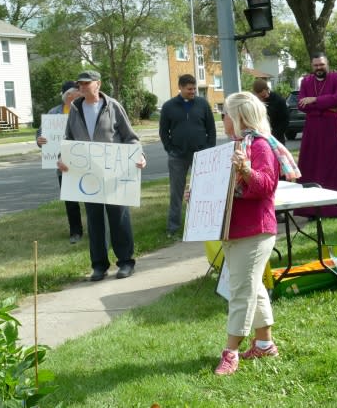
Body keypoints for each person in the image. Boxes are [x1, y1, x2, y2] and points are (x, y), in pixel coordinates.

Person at [208, 92, 300, 376]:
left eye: (225, 113)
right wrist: (199, 192)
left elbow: (266, 187)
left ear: (239, 117)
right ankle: (264, 344)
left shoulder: (259, 146)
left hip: (255, 230)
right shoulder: (235, 146)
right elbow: (223, 190)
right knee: (252, 287)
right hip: (236, 229)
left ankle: (230, 352)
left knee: (241, 291)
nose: (222, 118)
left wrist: (246, 170)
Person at [58, 70, 146, 281]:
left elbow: (130, 137)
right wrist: (62, 157)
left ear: (98, 84)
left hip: (114, 173)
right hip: (88, 177)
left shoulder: (112, 106)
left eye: (87, 83)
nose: (83, 87)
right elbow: (69, 140)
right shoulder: (75, 110)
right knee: (95, 221)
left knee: (119, 218)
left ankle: (125, 262)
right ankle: (99, 265)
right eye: (80, 84)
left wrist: (139, 155)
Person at [296, 52, 337, 217]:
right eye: (315, 65)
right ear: (312, 66)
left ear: (327, 64)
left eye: (321, 64)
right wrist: (327, 106)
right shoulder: (306, 81)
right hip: (313, 131)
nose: (318, 68)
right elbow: (301, 105)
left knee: (336, 167)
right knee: (311, 167)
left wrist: (315, 100)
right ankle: (311, 209)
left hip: (334, 129)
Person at [159, 74, 216, 238]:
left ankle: (205, 222)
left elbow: (211, 129)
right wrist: (170, 149)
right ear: (181, 87)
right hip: (177, 156)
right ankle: (173, 227)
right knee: (176, 191)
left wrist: (208, 149)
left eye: (194, 89)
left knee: (205, 190)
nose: (193, 92)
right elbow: (163, 131)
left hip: (202, 155)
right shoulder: (169, 106)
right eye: (189, 89)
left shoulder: (202, 104)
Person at [36, 80, 84, 244]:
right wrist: (40, 140)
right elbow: (41, 133)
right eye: (78, 90)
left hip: (84, 161)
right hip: (62, 164)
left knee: (92, 200)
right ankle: (75, 232)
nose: (81, 92)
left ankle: (97, 229)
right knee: (71, 200)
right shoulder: (54, 113)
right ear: (69, 94)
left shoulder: (85, 108)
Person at [252, 78, 289, 144]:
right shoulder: (255, 101)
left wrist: (273, 134)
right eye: (259, 96)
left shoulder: (279, 101)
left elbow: (285, 121)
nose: (261, 98)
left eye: (262, 96)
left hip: (276, 138)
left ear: (266, 90)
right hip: (260, 137)